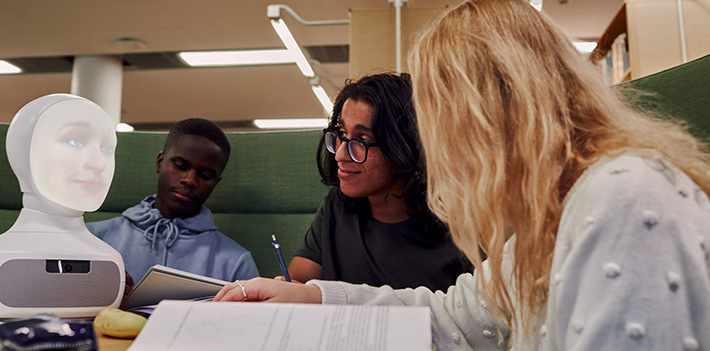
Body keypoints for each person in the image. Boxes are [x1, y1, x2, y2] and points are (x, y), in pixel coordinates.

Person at [214, 1, 710, 350]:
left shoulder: (624, 196)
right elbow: (455, 318)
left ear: (494, 114)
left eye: (437, 120)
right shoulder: (550, 220)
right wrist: (310, 295)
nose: (435, 149)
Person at [287, 73, 473, 291]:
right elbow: (296, 283)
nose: (340, 154)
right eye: (342, 134)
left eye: (362, 140)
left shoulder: (460, 229)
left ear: (405, 145)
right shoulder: (337, 207)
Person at [88, 118, 259, 290]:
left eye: (206, 175)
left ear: (216, 183)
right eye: (180, 165)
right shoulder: (92, 237)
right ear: (160, 162)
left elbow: (251, 317)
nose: (189, 180)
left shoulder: (236, 261)